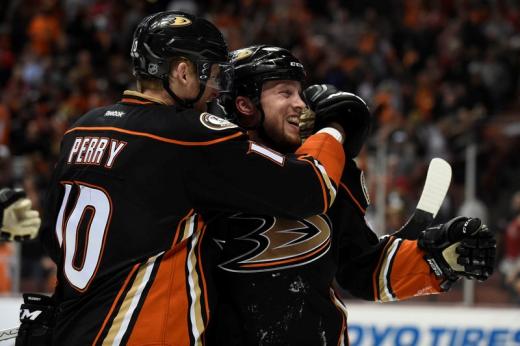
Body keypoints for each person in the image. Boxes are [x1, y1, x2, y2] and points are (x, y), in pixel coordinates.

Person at [15, 12, 349, 346]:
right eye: (212, 74)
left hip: (69, 333)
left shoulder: (82, 129)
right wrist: (334, 130)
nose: (215, 91)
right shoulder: (191, 134)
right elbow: (312, 187)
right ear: (183, 72)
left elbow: (52, 238)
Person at [205, 45, 496, 345]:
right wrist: (332, 132)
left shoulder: (329, 171)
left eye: (299, 93)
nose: (300, 104)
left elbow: (363, 269)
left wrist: (436, 260)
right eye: (284, 93)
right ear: (245, 105)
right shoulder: (207, 167)